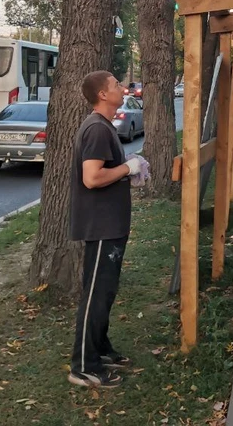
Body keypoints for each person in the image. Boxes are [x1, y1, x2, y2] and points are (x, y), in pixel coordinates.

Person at [69, 70, 148, 389]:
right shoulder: (97, 128)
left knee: (106, 292)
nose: (123, 87)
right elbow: (92, 178)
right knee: (96, 296)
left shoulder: (103, 127)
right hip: (100, 225)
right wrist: (127, 168)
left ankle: (99, 349)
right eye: (116, 84)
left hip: (111, 224)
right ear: (102, 94)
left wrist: (127, 168)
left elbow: (105, 171)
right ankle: (84, 366)